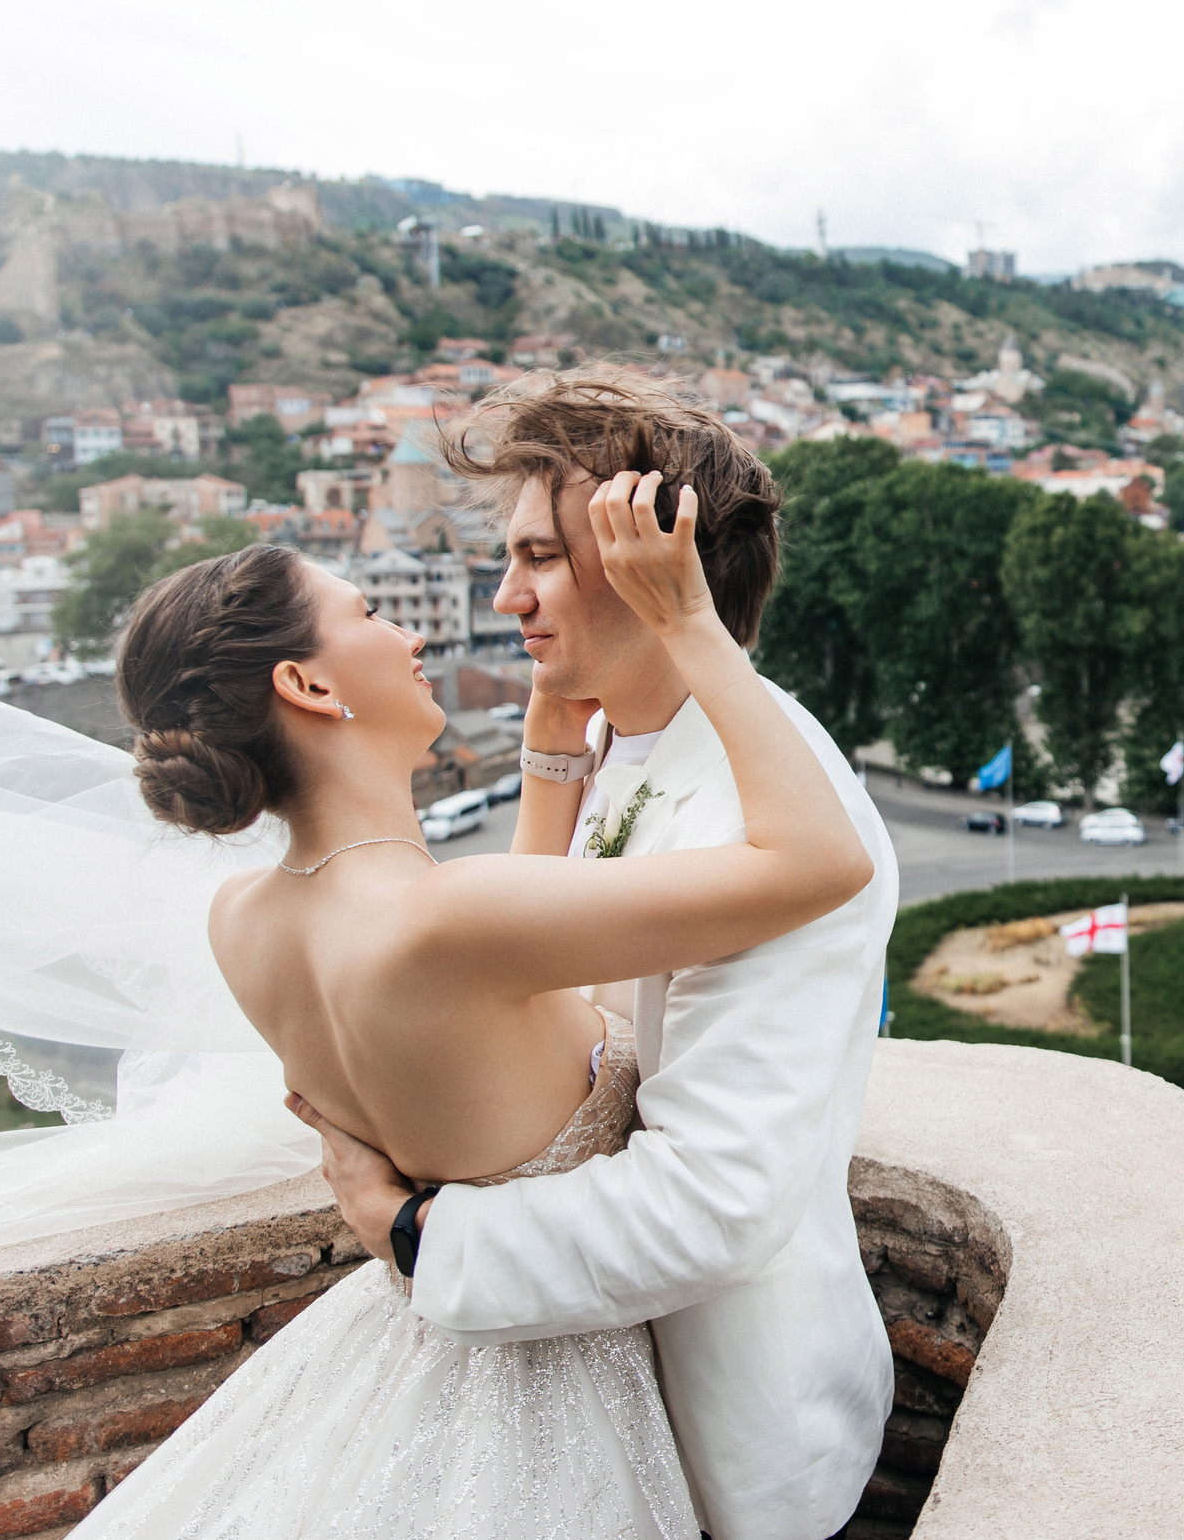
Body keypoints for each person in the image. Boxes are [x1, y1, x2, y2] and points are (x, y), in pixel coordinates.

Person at [60, 467, 872, 1539]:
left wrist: (551, 752)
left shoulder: (244, 921)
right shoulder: (451, 919)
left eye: (534, 558)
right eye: (370, 614)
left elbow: (518, 982)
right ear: (308, 687)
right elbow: (820, 859)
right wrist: (690, 626)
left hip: (411, 1370)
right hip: (561, 1406)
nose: (417, 634)